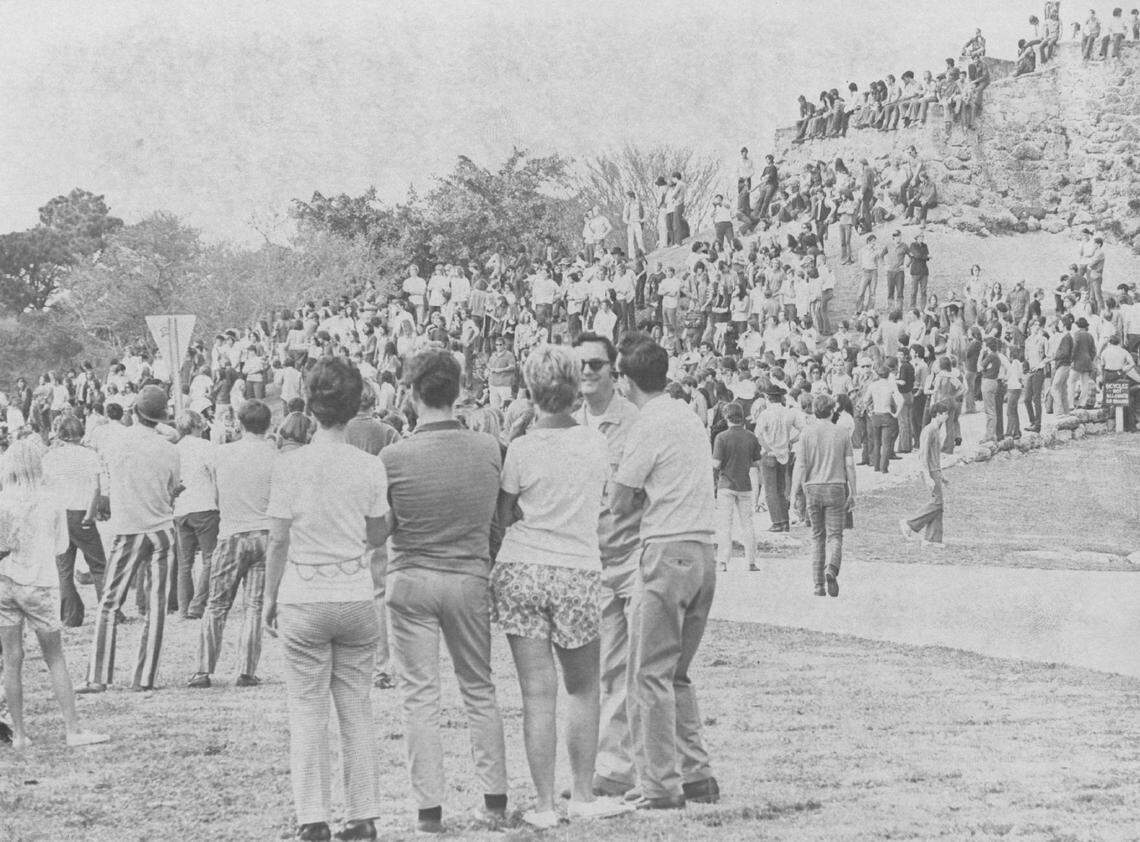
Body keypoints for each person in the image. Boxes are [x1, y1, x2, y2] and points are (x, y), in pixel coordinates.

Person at [491, 345, 628, 829]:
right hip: (575, 567)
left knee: (536, 694)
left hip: (522, 567)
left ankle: (545, 804)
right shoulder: (594, 443)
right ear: (574, 389)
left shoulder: (523, 448)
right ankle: (584, 793)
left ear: (531, 390)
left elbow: (505, 516)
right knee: (584, 687)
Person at [381, 350, 509, 834]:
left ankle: (428, 811)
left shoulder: (393, 456)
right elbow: (498, 519)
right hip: (468, 577)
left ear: (411, 395)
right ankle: (494, 801)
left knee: (419, 696)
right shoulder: (488, 448)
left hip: (411, 577)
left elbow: (385, 526)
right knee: (479, 688)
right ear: (458, 391)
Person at [263, 358, 389, 842]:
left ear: (310, 406)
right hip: (354, 594)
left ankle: (312, 817)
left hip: (303, 594)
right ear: (355, 404)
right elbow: (378, 534)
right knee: (356, 708)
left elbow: (278, 540)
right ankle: (362, 815)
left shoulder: (290, 465)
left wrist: (270, 597)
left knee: (306, 711)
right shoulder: (370, 465)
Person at [611, 332, 719, 810]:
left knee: (647, 675)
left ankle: (659, 784)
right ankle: (696, 775)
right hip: (702, 551)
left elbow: (618, 500)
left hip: (664, 549)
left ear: (627, 381)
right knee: (676, 673)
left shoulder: (647, 423)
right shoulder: (686, 415)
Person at [0, 439, 109, 751]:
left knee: (12, 660)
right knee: (55, 657)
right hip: (40, 582)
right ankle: (72, 728)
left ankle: (19, 734)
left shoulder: (3, 502)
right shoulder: (51, 501)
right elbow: (62, 547)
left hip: (6, 583)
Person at [571, 331, 643, 800]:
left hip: (635, 553)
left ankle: (638, 767)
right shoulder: (571, 426)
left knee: (640, 669)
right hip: (592, 558)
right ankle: (609, 767)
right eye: (580, 365)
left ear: (612, 369)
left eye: (596, 364)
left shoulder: (636, 421)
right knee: (602, 669)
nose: (588, 372)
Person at [79, 384, 180, 695]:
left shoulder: (116, 442)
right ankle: (145, 677)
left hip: (130, 528)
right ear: (162, 417)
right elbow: (174, 487)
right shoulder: (170, 448)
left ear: (134, 411)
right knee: (156, 606)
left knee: (109, 603)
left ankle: (99, 676)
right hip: (162, 528)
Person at [187, 399, 275, 690]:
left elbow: (213, 495)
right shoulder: (276, 456)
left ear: (240, 423)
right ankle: (247, 671)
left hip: (231, 533)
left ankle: (203, 669)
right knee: (254, 606)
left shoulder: (221, 454)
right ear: (269, 424)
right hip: (264, 533)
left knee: (217, 604)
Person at [41, 416, 107, 627]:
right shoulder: (89, 455)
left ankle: (70, 616)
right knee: (97, 565)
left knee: (64, 570)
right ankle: (107, 611)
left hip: (60, 514)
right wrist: (91, 512)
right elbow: (96, 488)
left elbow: (46, 489)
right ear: (81, 431)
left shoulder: (50, 457)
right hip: (81, 512)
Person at [791, 394, 856, 597]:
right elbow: (849, 465)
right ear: (831, 410)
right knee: (835, 535)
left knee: (817, 536)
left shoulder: (806, 434)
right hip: (836, 486)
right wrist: (853, 491)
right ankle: (832, 568)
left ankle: (818, 585)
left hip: (812, 487)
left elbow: (800, 466)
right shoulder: (842, 433)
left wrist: (794, 493)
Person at [172, 411, 219, 619]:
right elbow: (216, 473)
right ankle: (198, 604)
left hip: (181, 509)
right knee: (210, 557)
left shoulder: (174, 449)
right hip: (204, 505)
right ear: (196, 426)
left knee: (185, 562)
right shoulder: (205, 446)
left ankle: (184, 607)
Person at [711, 402, 762, 572]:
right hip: (745, 485)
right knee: (747, 523)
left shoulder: (722, 437)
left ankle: (723, 561)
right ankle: (751, 561)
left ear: (726, 417)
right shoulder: (751, 437)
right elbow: (756, 462)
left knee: (725, 524)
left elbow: (717, 464)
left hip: (726, 484)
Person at [900, 400, 950, 548]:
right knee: (937, 503)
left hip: (935, 471)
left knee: (939, 506)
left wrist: (941, 475)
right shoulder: (929, 430)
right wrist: (928, 476)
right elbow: (924, 455)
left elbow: (935, 456)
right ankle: (910, 523)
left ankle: (931, 539)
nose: (947, 417)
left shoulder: (936, 429)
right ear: (938, 414)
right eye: (945, 414)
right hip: (930, 471)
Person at [755, 385, 800, 531]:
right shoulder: (789, 412)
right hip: (784, 453)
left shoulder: (765, 414)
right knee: (781, 488)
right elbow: (803, 429)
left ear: (768, 398)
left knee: (770, 490)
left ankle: (777, 521)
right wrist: (790, 441)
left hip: (770, 454)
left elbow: (759, 434)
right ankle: (785, 520)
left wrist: (767, 448)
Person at [622, 190, 646, 259]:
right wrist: (627, 222)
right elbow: (624, 216)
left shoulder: (638, 203)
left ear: (631, 197)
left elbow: (644, 213)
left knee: (639, 238)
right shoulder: (627, 205)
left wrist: (642, 220)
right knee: (630, 240)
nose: (627, 199)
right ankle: (631, 256)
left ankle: (642, 252)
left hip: (637, 222)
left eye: (628, 197)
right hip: (630, 224)